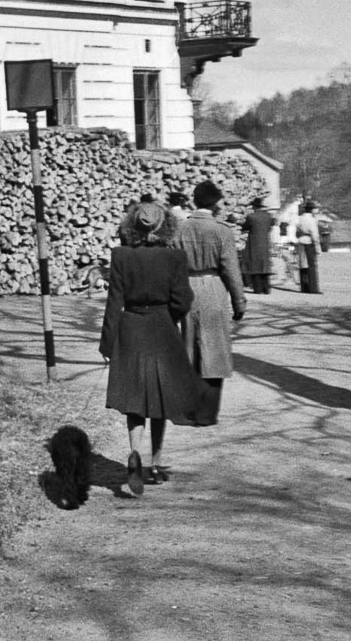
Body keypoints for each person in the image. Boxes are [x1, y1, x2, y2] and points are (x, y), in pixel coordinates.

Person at [100, 201, 196, 496]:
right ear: (164, 226)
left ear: (132, 226)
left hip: (130, 329)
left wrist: (108, 342)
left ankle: (134, 452)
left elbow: (114, 301)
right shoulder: (175, 259)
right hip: (162, 329)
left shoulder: (121, 257)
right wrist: (171, 319)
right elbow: (183, 300)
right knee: (159, 399)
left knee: (134, 398)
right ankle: (155, 464)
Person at [171, 180, 247, 427]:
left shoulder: (179, 229)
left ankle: (188, 410)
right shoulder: (221, 230)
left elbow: (171, 265)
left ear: (194, 201)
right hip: (213, 287)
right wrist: (239, 301)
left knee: (189, 348)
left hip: (187, 287)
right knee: (214, 349)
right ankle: (207, 414)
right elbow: (231, 270)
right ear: (215, 204)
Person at [240, 197, 274, 294]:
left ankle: (258, 288)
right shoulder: (268, 216)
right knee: (265, 264)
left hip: (254, 242)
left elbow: (245, 227)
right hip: (265, 241)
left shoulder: (251, 217)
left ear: (254, 206)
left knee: (255, 265)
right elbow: (270, 227)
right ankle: (266, 288)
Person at [295, 200, 322, 293]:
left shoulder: (299, 218)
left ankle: (304, 287)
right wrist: (318, 248)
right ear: (312, 210)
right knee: (312, 266)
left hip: (300, 241)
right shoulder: (312, 220)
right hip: (309, 242)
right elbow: (315, 235)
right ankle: (313, 288)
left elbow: (296, 231)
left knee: (302, 265)